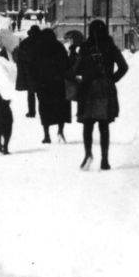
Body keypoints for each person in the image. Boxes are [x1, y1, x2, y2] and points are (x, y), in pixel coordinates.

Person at [73, 19, 128, 171]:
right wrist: (112, 79)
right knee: (104, 125)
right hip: (106, 89)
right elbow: (124, 67)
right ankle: (105, 159)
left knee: (88, 124)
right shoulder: (111, 47)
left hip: (88, 89)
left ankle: (88, 153)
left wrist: (75, 74)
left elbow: (76, 69)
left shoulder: (85, 47)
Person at [34, 29, 72, 144]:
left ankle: (46, 135)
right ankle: (60, 131)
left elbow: (33, 66)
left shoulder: (39, 48)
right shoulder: (59, 47)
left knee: (45, 109)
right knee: (61, 108)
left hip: (43, 84)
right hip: (58, 83)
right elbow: (66, 64)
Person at [14, 25, 41, 118]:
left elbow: (20, 58)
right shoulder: (43, 42)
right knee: (42, 92)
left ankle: (32, 112)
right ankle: (43, 111)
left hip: (29, 71)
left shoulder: (25, 42)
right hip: (42, 70)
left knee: (31, 92)